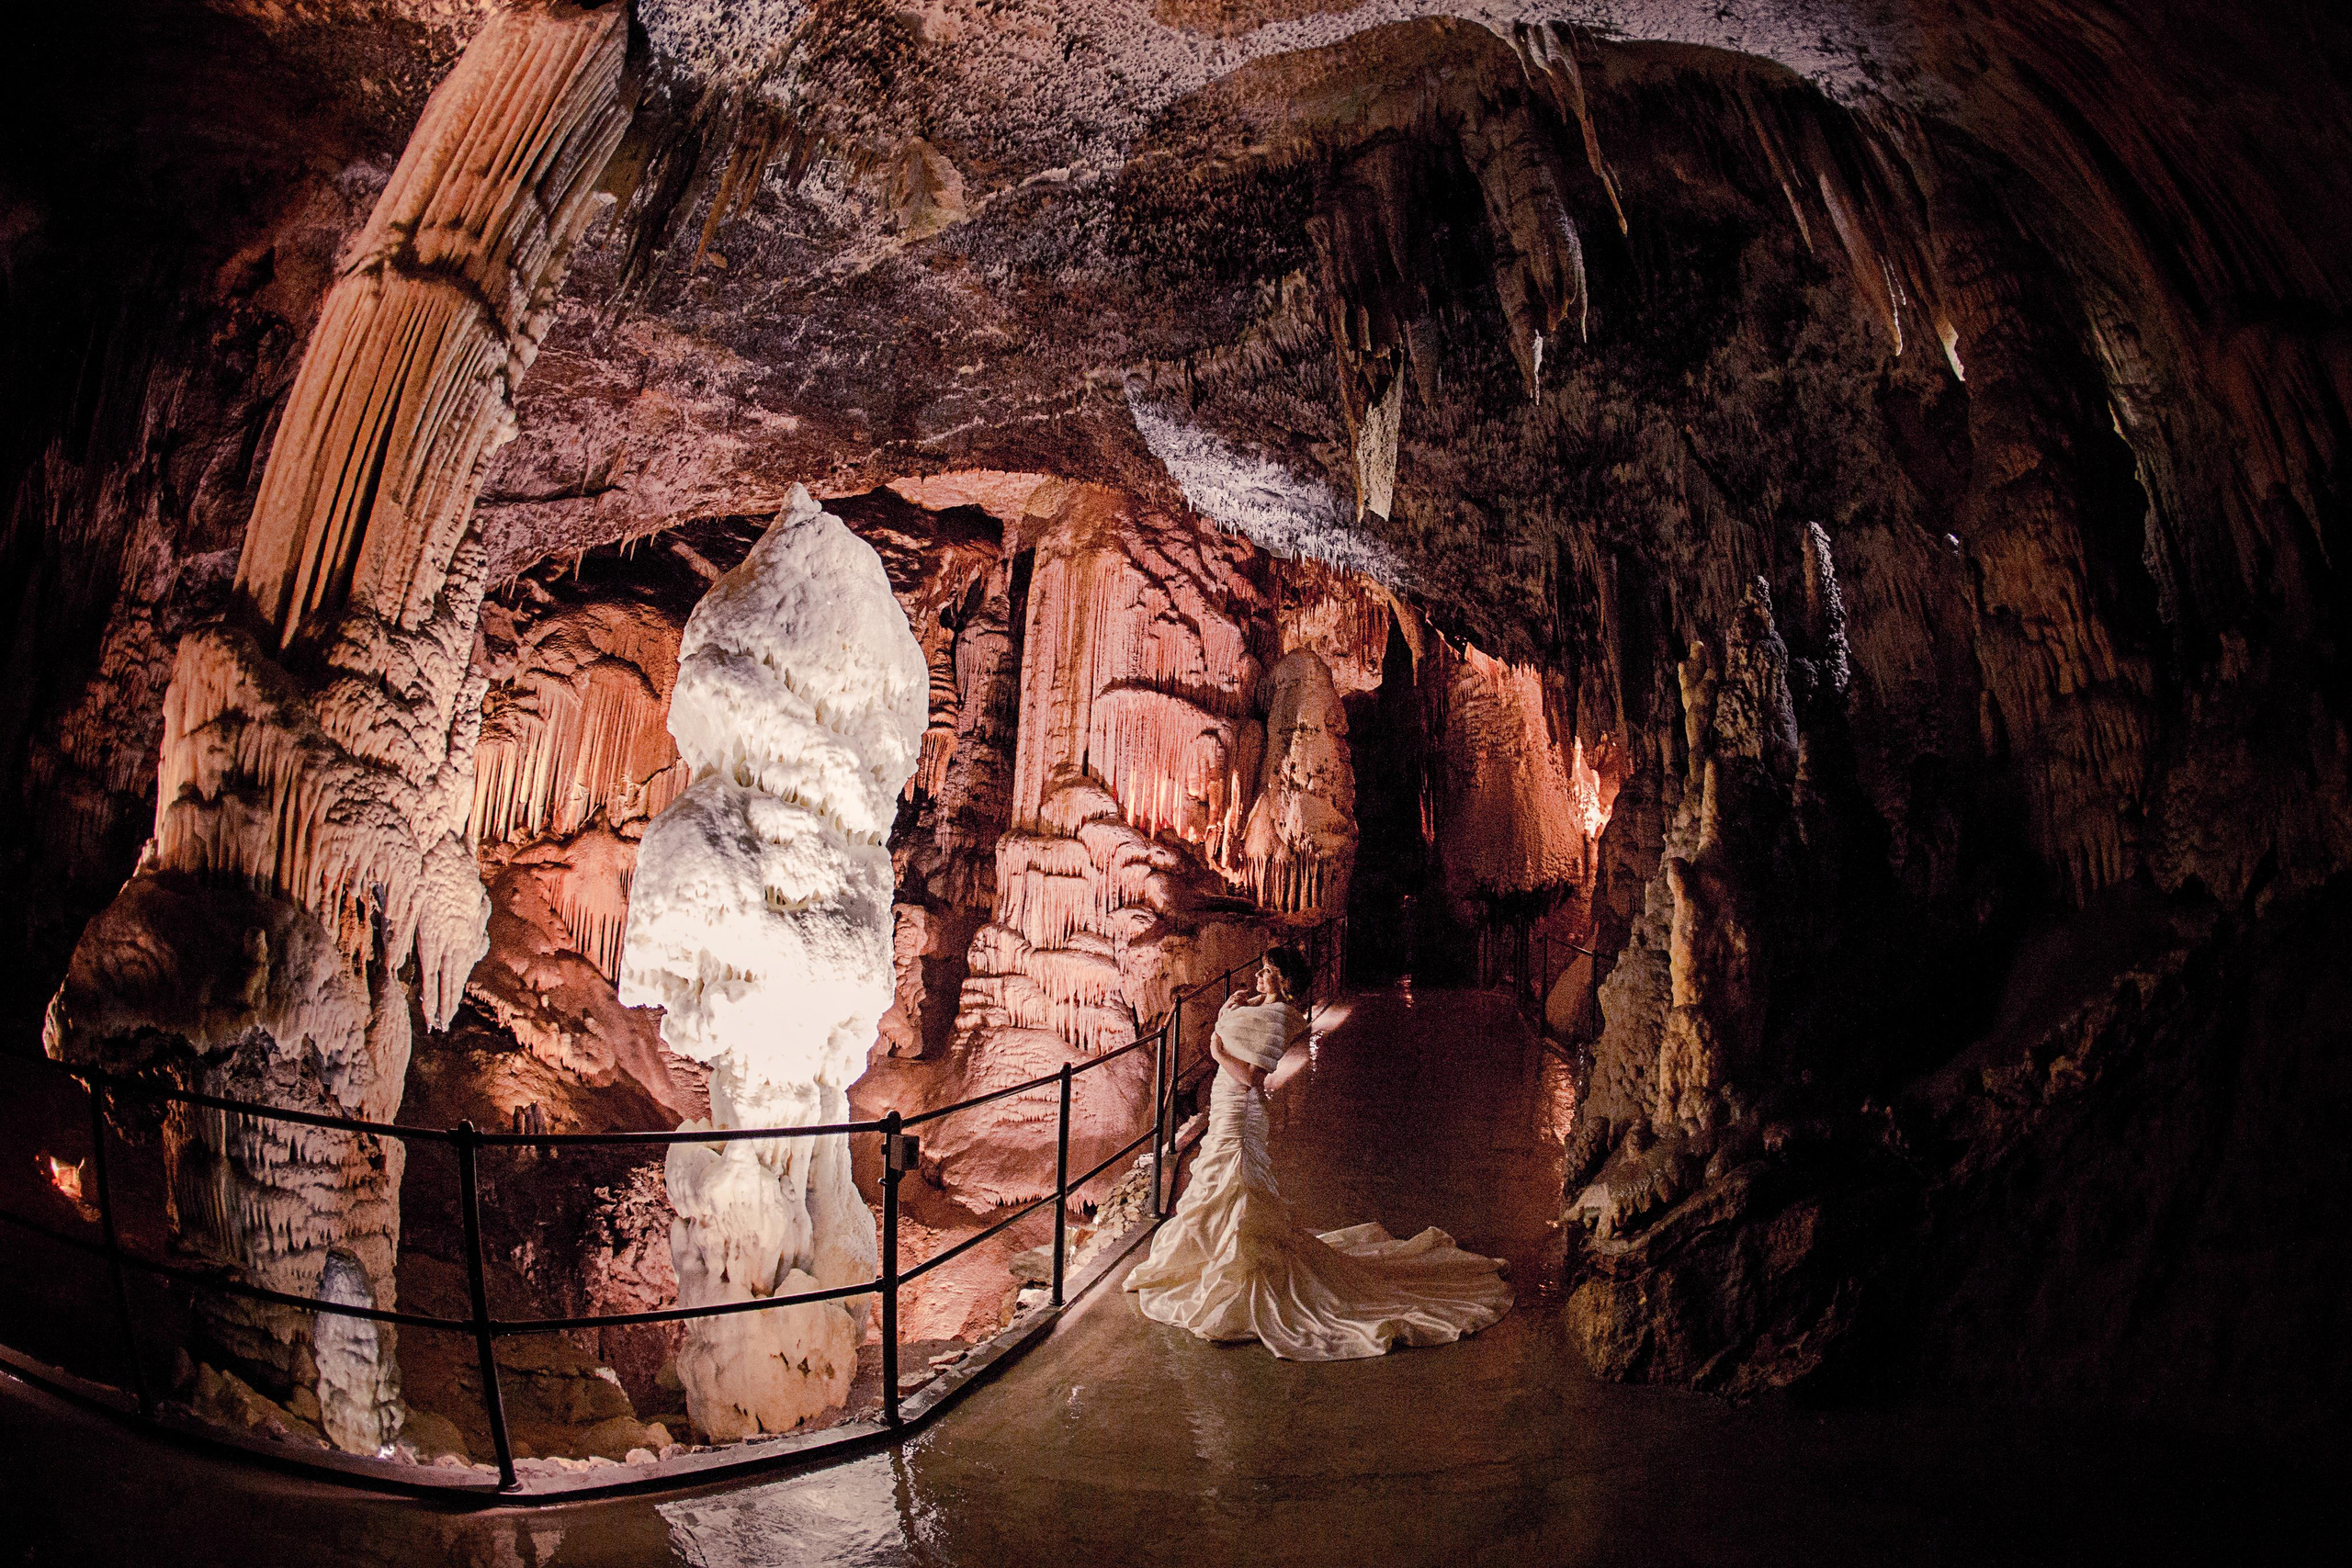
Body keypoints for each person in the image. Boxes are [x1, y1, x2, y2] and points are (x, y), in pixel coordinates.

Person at [1124, 944, 1512, 1359]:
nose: (1257, 976)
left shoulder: (1280, 1018)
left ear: (1282, 981)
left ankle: (1241, 1272)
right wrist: (1231, 1007)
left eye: (1266, 971)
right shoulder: (1258, 1005)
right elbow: (1234, 1031)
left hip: (1240, 1110)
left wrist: (1218, 1052)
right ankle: (1217, 1258)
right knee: (1221, 1185)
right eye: (1260, 969)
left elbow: (1252, 1077)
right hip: (1223, 1103)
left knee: (1235, 1185)